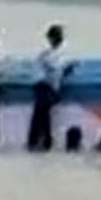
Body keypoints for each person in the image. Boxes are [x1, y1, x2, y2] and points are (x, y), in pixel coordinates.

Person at [27, 24, 74, 152]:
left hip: (49, 88)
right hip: (43, 86)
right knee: (41, 114)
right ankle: (40, 142)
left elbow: (59, 70)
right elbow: (42, 70)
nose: (55, 39)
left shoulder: (61, 54)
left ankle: (40, 142)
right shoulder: (45, 53)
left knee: (42, 114)